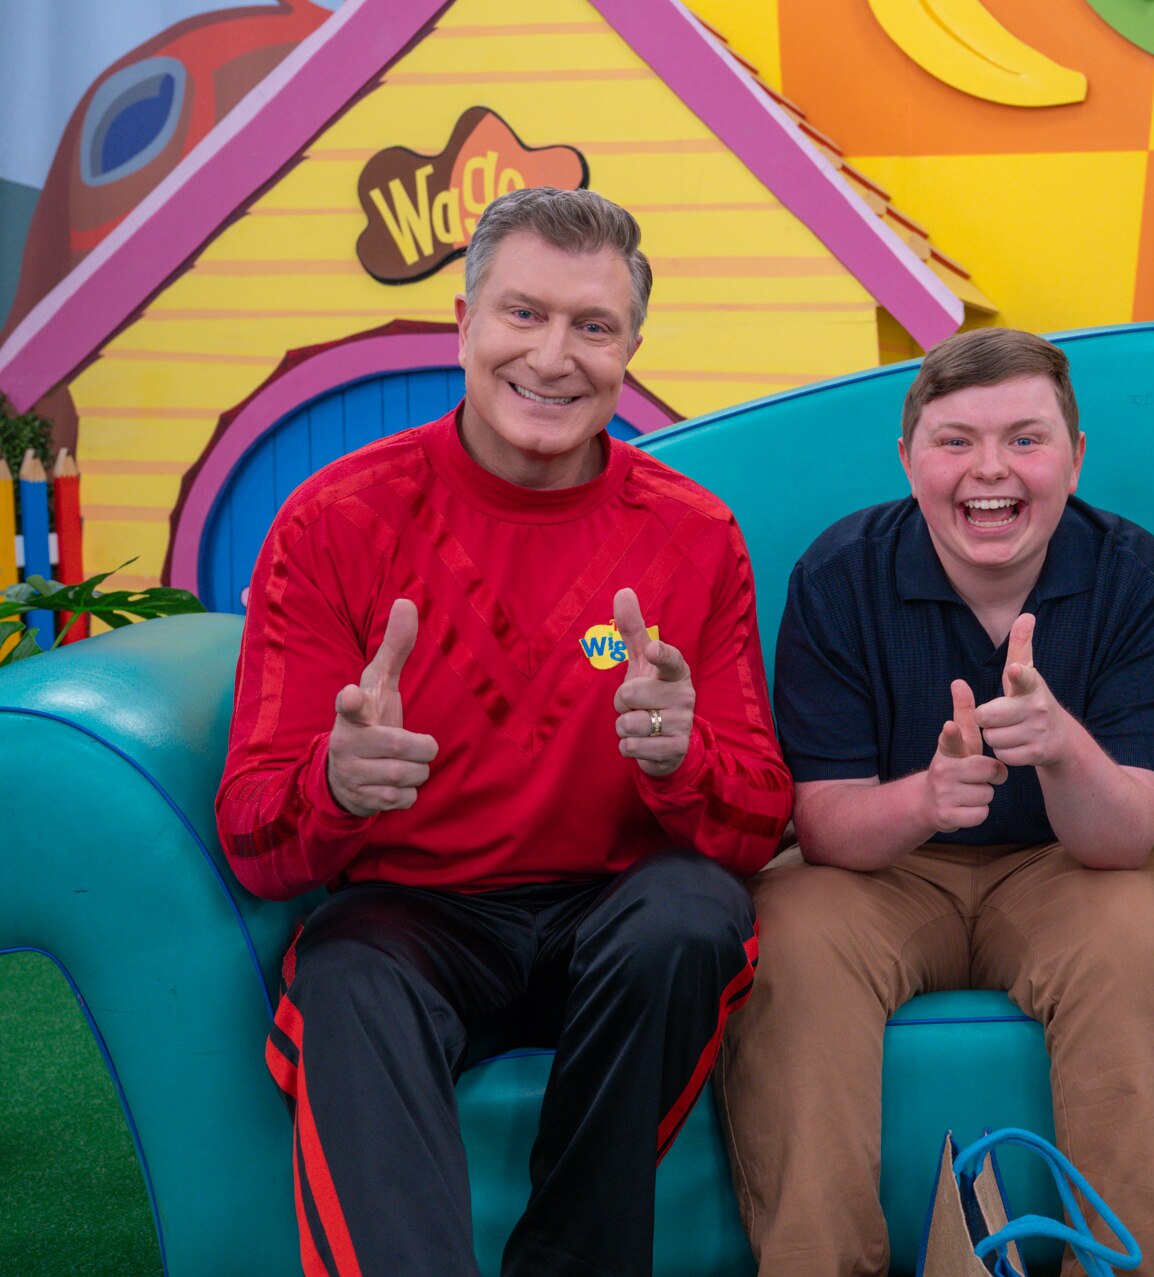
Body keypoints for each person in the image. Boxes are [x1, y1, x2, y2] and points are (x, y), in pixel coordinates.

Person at [214, 187, 793, 1277]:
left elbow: (759, 816)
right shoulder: (335, 519)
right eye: (523, 314)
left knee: (696, 912)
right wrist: (337, 781)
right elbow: (252, 832)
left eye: (593, 326)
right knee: (343, 971)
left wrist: (682, 761)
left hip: (611, 913)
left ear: (631, 350)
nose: (554, 356)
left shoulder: (696, 532)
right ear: (467, 322)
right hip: (416, 913)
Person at [718, 328, 1154, 1276]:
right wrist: (928, 799)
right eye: (955, 442)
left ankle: (1122, 1268)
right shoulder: (839, 574)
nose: (992, 471)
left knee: (1138, 929)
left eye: (1025, 439)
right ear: (908, 460)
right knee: (790, 934)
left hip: (1069, 868)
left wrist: (1061, 748)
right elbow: (821, 825)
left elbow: (1125, 837)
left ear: (1075, 456)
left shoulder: (1139, 578)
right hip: (883, 874)